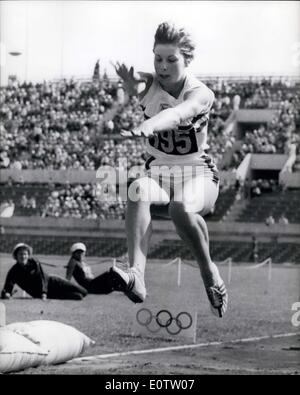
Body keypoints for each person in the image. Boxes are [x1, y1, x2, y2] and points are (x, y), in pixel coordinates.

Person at [110, 21, 228, 317]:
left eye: (171, 60)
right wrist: (128, 84)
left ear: (187, 60)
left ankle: (209, 272)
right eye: (157, 58)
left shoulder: (201, 93)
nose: (162, 67)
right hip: (159, 176)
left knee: (181, 208)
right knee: (137, 188)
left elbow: (178, 114)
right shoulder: (148, 85)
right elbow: (137, 85)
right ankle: (137, 275)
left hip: (198, 174)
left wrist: (149, 124)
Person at [1, 243, 87, 300]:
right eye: (20, 254)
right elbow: (7, 288)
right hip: (39, 294)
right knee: (78, 296)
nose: (23, 256)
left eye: (25, 254)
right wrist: (7, 294)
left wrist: (44, 293)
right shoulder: (13, 271)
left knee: (83, 292)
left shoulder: (34, 262)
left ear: (28, 255)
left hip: (52, 282)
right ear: (16, 256)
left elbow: (43, 278)